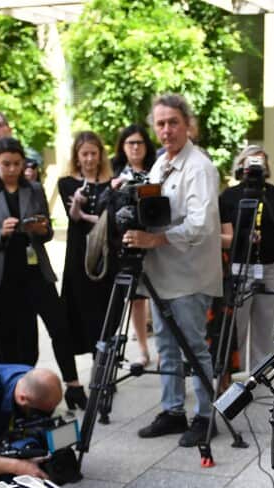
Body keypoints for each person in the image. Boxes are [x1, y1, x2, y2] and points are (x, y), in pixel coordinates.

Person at [122, 94, 223, 448]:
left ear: (188, 125)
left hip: (190, 275)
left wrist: (155, 241)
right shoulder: (160, 164)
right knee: (165, 344)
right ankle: (172, 410)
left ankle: (207, 416)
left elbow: (201, 226)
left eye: (173, 122)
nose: (166, 130)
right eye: (160, 124)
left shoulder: (199, 166)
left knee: (193, 347)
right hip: (162, 275)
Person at [0, 136, 85, 409]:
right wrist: (2, 232)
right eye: (5, 164)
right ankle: (18, 392)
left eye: (16, 163)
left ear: (23, 163)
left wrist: (40, 229)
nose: (11, 169)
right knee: (14, 338)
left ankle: (73, 384)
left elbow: (46, 229)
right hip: (3, 276)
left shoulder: (33, 188)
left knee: (58, 325)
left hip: (36, 271)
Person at [217, 145, 274, 373]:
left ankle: (262, 374)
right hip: (240, 266)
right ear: (241, 165)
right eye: (250, 162)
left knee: (265, 326)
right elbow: (224, 231)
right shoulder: (229, 196)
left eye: (260, 162)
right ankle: (234, 374)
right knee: (236, 325)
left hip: (270, 266)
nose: (255, 167)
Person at [57, 131, 115, 357]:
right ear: (77, 157)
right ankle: (94, 356)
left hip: (105, 252)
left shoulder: (112, 184)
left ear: (100, 155)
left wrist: (89, 216)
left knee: (106, 307)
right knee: (82, 306)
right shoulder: (67, 183)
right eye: (85, 154)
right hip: (79, 253)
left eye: (93, 153)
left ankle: (104, 359)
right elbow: (74, 217)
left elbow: (110, 219)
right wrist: (78, 207)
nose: (89, 159)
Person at [111, 124, 158, 367]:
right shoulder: (115, 172)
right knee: (136, 299)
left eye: (140, 143)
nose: (136, 147)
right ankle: (142, 349)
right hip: (127, 242)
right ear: (123, 147)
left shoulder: (158, 169)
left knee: (161, 296)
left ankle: (164, 349)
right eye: (130, 143)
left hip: (156, 240)